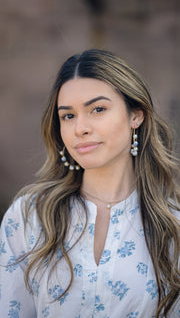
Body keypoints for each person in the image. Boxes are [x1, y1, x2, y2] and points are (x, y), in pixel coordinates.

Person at [0, 49, 179, 318]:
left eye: (98, 109)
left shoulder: (173, 223)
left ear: (136, 116)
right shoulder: (28, 217)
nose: (80, 128)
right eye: (68, 116)